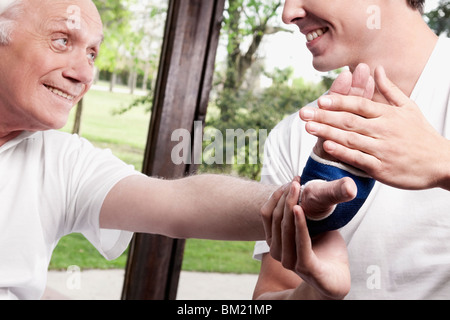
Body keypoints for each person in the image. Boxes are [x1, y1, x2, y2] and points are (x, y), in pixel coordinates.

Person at [0, 0, 356, 300]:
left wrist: (298, 201)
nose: (84, 73)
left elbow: (178, 203)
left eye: (93, 53)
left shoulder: (61, 159)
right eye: (62, 41)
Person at [253, 0, 450, 299]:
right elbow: (270, 294)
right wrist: (316, 292)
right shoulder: (293, 135)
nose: (288, 13)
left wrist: (442, 163)